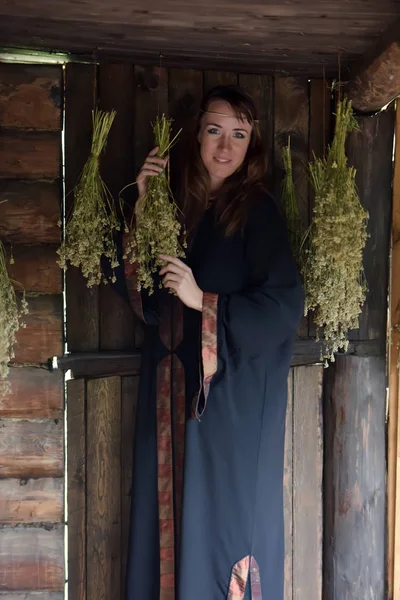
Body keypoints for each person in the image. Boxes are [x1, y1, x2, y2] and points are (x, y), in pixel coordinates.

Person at [120, 85, 304, 600]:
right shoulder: (177, 207)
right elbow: (146, 301)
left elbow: (283, 307)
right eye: (215, 131)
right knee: (173, 518)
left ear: (253, 145)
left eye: (239, 135)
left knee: (225, 520)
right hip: (173, 400)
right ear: (196, 135)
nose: (226, 147)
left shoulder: (256, 212)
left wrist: (203, 298)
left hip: (231, 408)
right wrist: (143, 204)